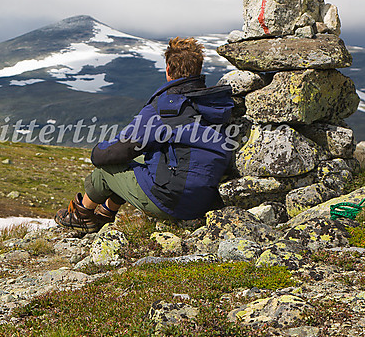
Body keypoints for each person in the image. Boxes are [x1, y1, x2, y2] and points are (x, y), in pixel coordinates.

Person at [55, 37, 234, 233]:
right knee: (141, 159)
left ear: (168, 69)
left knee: (106, 169)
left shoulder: (166, 106)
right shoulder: (212, 104)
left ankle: (80, 216)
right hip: (204, 201)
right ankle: (105, 213)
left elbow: (123, 148)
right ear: (198, 69)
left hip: (173, 201)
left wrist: (97, 153)